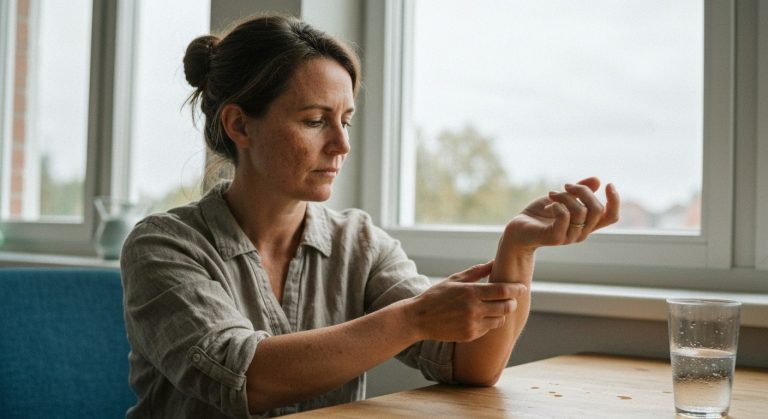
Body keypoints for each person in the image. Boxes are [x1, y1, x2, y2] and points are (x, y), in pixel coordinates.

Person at [120, 12, 620, 419]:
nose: (342, 144)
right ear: (238, 125)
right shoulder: (163, 246)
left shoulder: (358, 241)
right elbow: (247, 381)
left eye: (346, 120)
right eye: (315, 121)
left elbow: (469, 366)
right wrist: (415, 317)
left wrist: (518, 249)